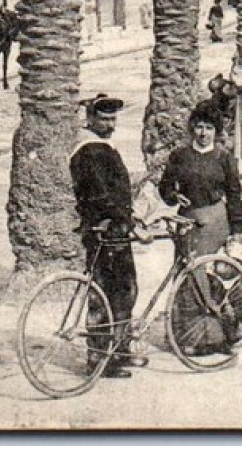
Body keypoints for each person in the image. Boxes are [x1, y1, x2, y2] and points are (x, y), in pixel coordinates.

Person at [69, 95, 141, 378]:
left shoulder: (101, 148)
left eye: (113, 119)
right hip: (104, 231)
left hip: (115, 230)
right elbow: (100, 195)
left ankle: (119, 352)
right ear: (90, 119)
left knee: (124, 291)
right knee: (107, 294)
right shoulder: (90, 151)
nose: (110, 124)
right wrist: (129, 219)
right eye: (104, 119)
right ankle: (101, 359)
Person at [159, 104, 242, 260]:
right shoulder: (179, 155)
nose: (203, 133)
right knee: (186, 270)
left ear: (216, 131)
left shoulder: (224, 158)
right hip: (188, 220)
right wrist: (174, 195)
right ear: (193, 128)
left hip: (216, 221)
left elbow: (234, 195)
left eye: (209, 128)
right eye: (199, 127)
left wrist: (237, 232)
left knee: (211, 271)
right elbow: (165, 186)